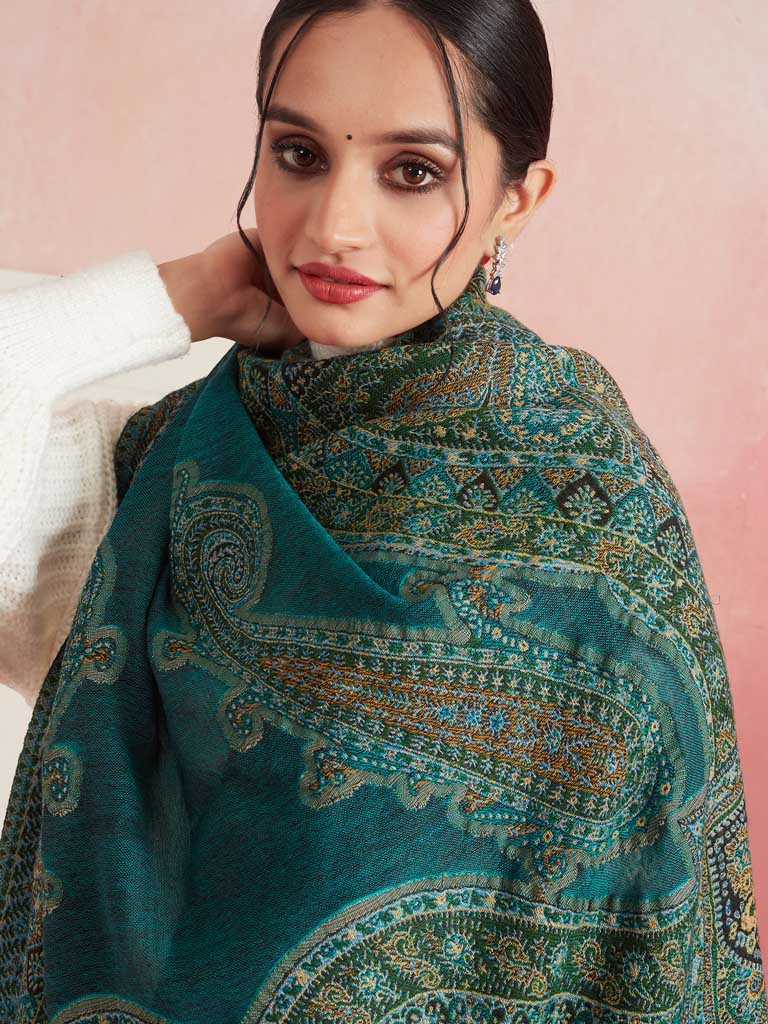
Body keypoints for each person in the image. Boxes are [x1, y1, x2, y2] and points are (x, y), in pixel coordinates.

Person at [1, 1, 765, 1021]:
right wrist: (179, 296)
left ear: (517, 199)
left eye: (412, 171)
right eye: (299, 154)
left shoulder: (595, 518)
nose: (333, 226)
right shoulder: (164, 466)